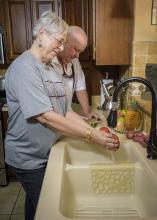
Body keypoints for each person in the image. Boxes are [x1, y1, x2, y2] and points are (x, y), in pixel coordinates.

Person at [4, 11, 119, 220]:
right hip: (28, 158)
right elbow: (46, 116)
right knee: (49, 211)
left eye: (62, 43)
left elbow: (64, 110)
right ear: (41, 34)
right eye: (58, 42)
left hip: (45, 152)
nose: (60, 48)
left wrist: (91, 130)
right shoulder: (24, 68)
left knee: (36, 207)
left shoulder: (50, 68)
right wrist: (93, 136)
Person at [52, 25, 98, 120]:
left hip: (67, 117)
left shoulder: (74, 61)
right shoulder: (48, 60)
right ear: (64, 41)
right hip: (53, 120)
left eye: (80, 52)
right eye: (76, 49)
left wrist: (86, 113)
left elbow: (80, 87)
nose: (77, 55)